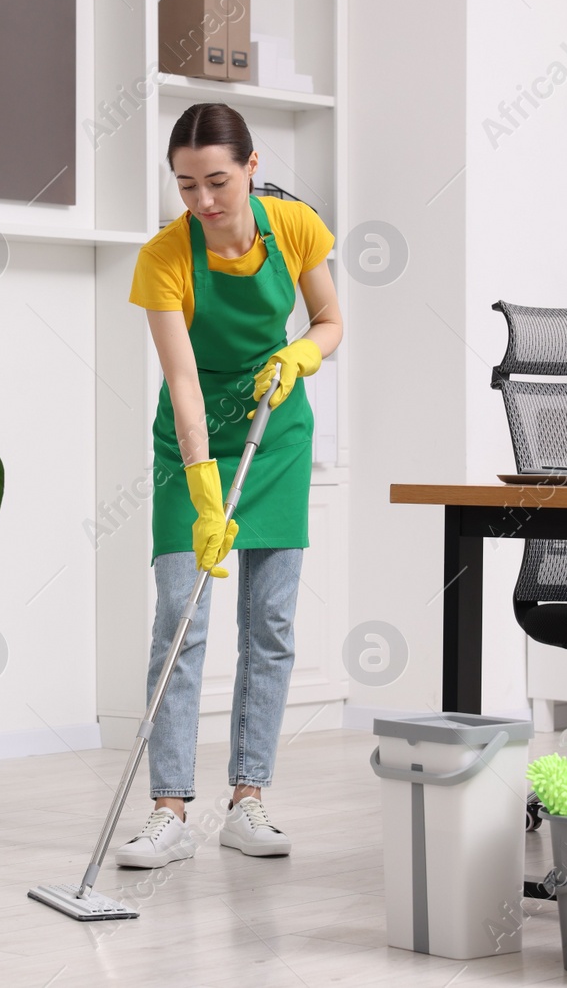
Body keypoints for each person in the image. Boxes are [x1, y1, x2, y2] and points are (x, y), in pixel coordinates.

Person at [115, 103, 342, 870]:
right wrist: (204, 492)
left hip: (276, 429)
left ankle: (247, 800)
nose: (204, 201)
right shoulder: (164, 256)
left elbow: (330, 318)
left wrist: (304, 354)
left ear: (252, 165)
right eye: (186, 185)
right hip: (193, 439)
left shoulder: (297, 228)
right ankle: (168, 808)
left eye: (217, 180)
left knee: (270, 624)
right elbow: (181, 380)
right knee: (180, 617)